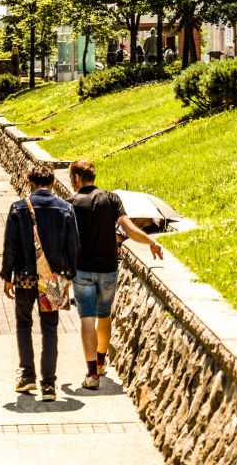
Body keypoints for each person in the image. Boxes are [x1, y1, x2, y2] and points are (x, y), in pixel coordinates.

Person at [67, 160, 163, 390]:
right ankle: (101, 360)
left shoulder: (70, 203)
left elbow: (65, 237)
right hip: (108, 268)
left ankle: (92, 374)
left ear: (78, 178)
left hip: (82, 269)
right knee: (104, 315)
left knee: (87, 319)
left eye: (72, 178)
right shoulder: (111, 199)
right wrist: (151, 241)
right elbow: (128, 229)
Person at [1, 163, 79, 402]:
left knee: (24, 324)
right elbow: (73, 246)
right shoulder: (65, 208)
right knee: (49, 328)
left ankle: (27, 376)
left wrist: (7, 276)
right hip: (53, 279)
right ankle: (49, 385)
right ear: (53, 183)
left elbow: (10, 246)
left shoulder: (18, 208)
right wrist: (69, 276)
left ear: (30, 183)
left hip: (24, 276)